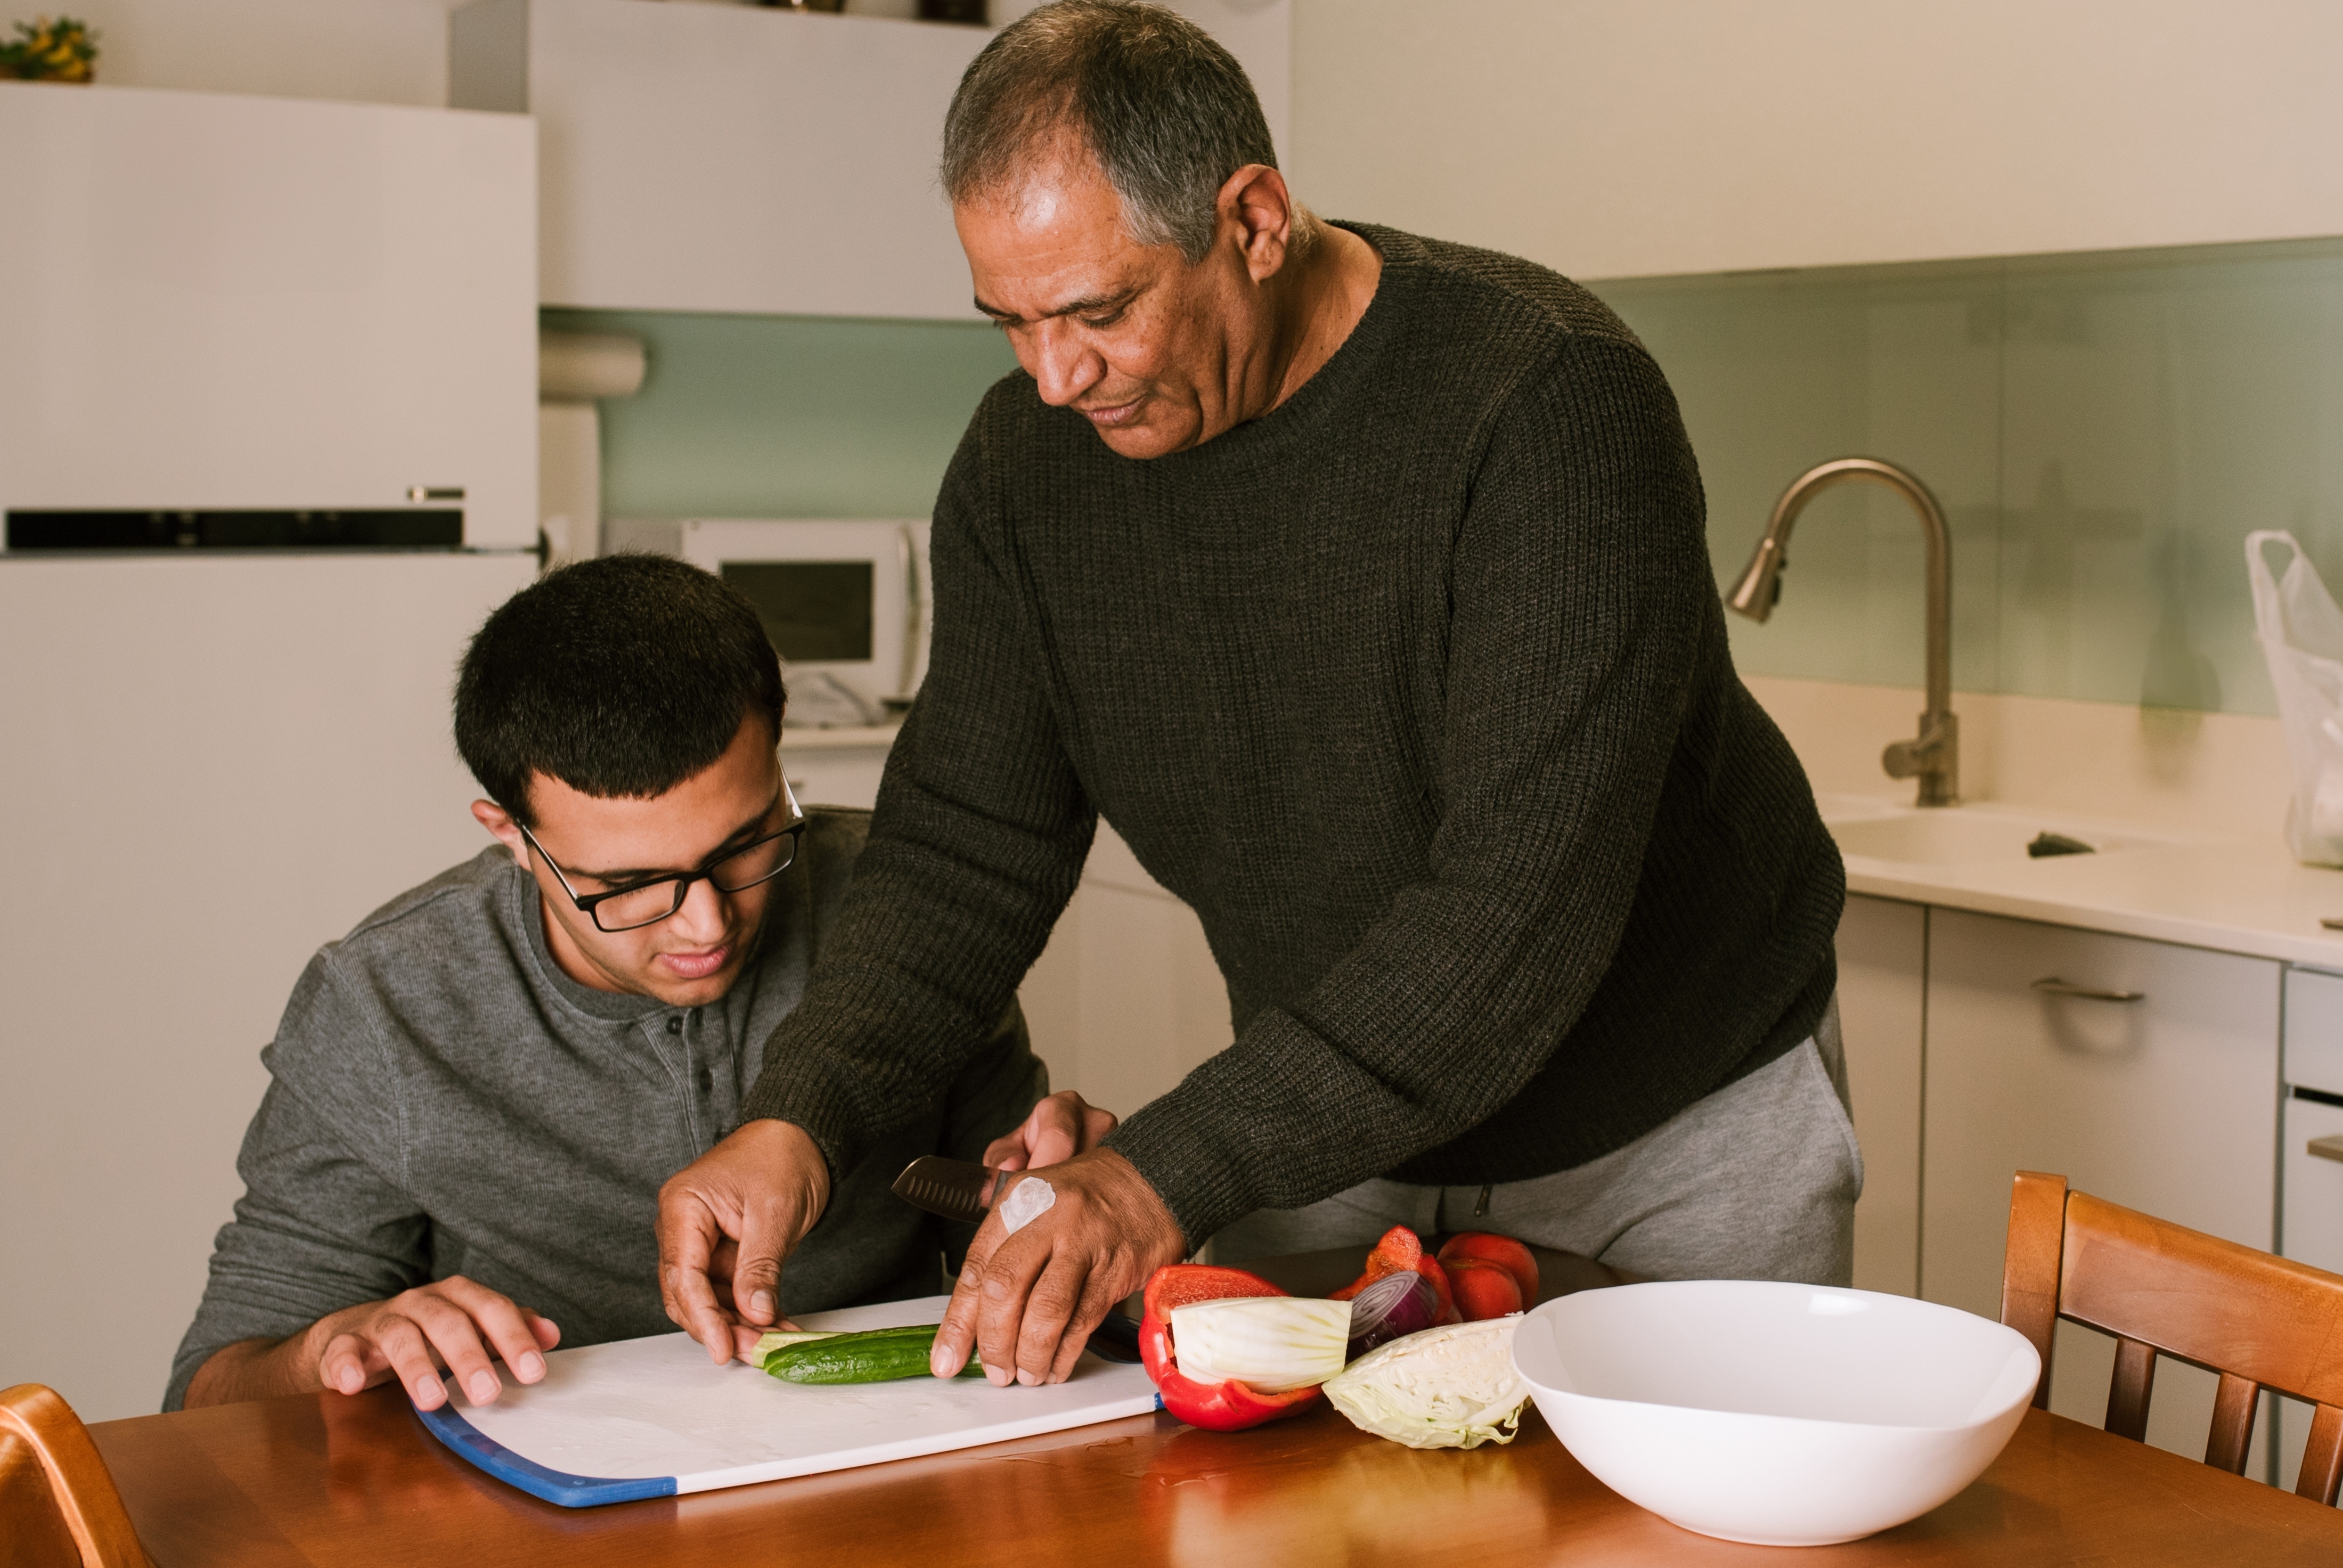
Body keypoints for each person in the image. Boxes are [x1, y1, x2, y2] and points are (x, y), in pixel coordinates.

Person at [651, 0, 1852, 1391]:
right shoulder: (1024, 472)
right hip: (1340, 1132)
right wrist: (802, 1115)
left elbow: (1514, 910)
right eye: (1012, 323)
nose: (1053, 380)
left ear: (1257, 222)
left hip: (1672, 1123)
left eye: (1100, 311)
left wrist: (1156, 1172)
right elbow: (960, 850)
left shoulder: (1546, 402)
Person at [166, 556, 1090, 1414]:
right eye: (626, 887)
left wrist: (1064, 1202)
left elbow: (1013, 1252)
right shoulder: (386, 1004)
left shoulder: (909, 907)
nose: (706, 924)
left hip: (886, 1459)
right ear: (511, 837)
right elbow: (208, 1394)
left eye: (745, 845)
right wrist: (334, 1345)